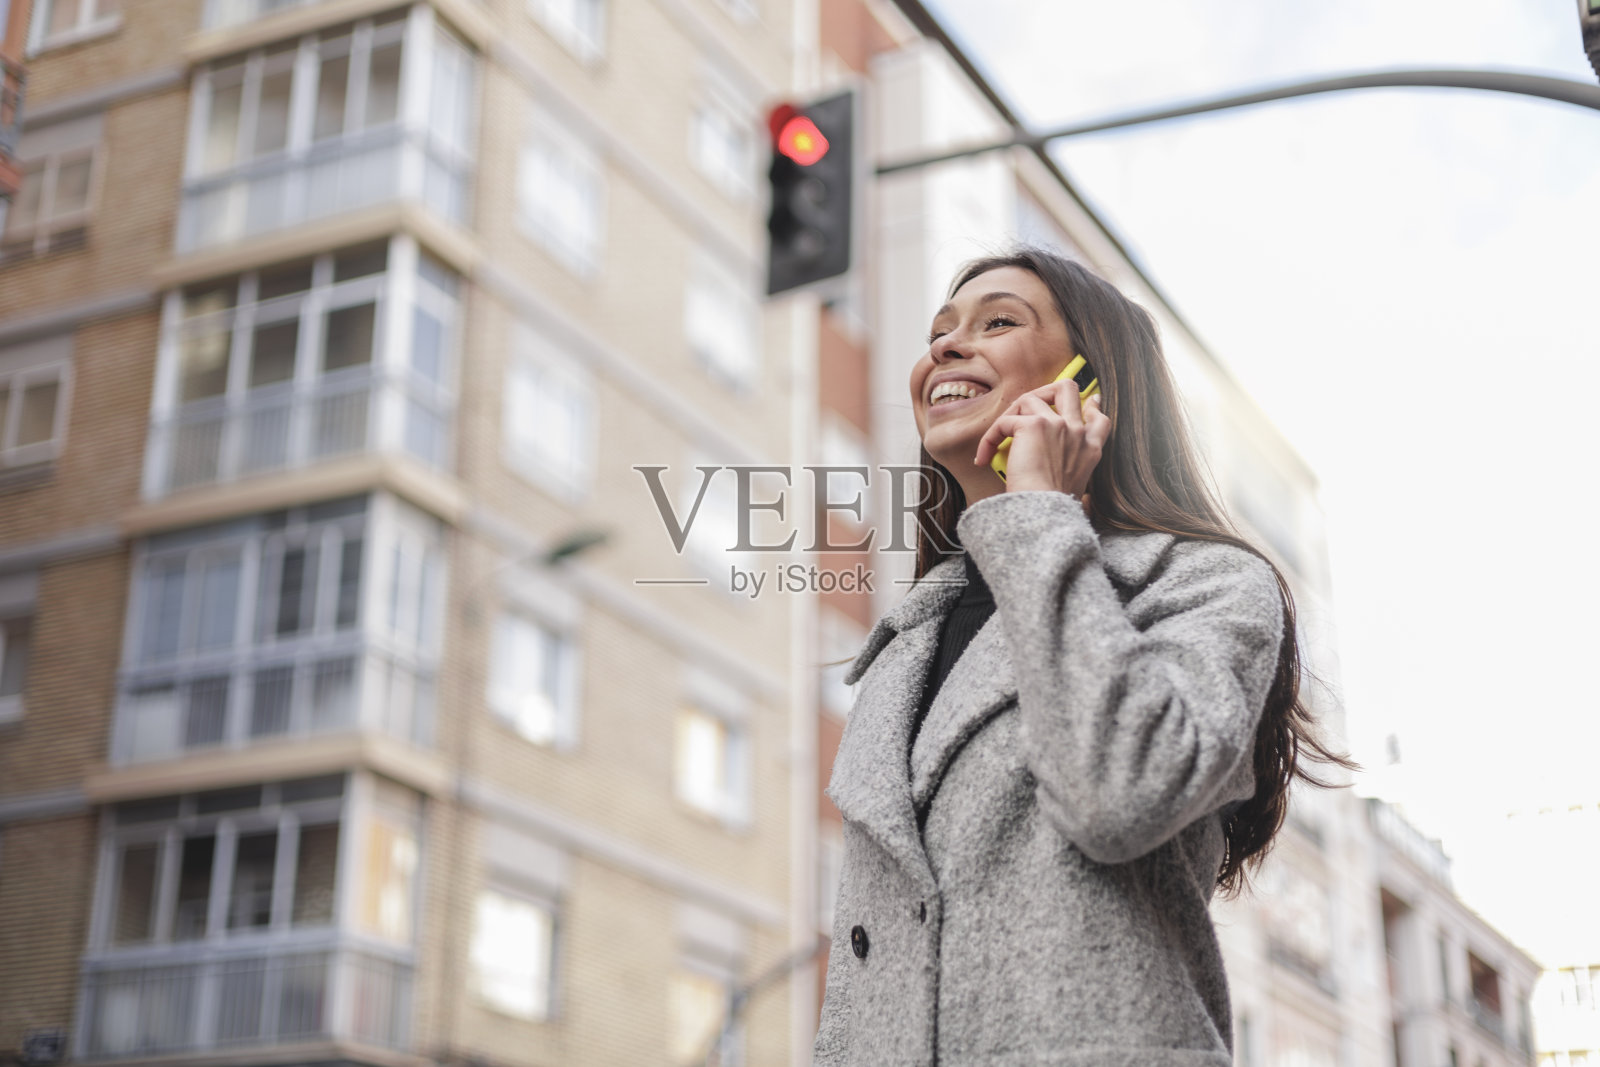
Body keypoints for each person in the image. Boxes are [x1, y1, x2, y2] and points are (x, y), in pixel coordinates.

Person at [813, 248, 1352, 1066]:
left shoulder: (1208, 583)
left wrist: (1036, 509)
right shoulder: (907, 644)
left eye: (997, 321)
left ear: (1092, 384)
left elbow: (1121, 793)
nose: (946, 349)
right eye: (938, 332)